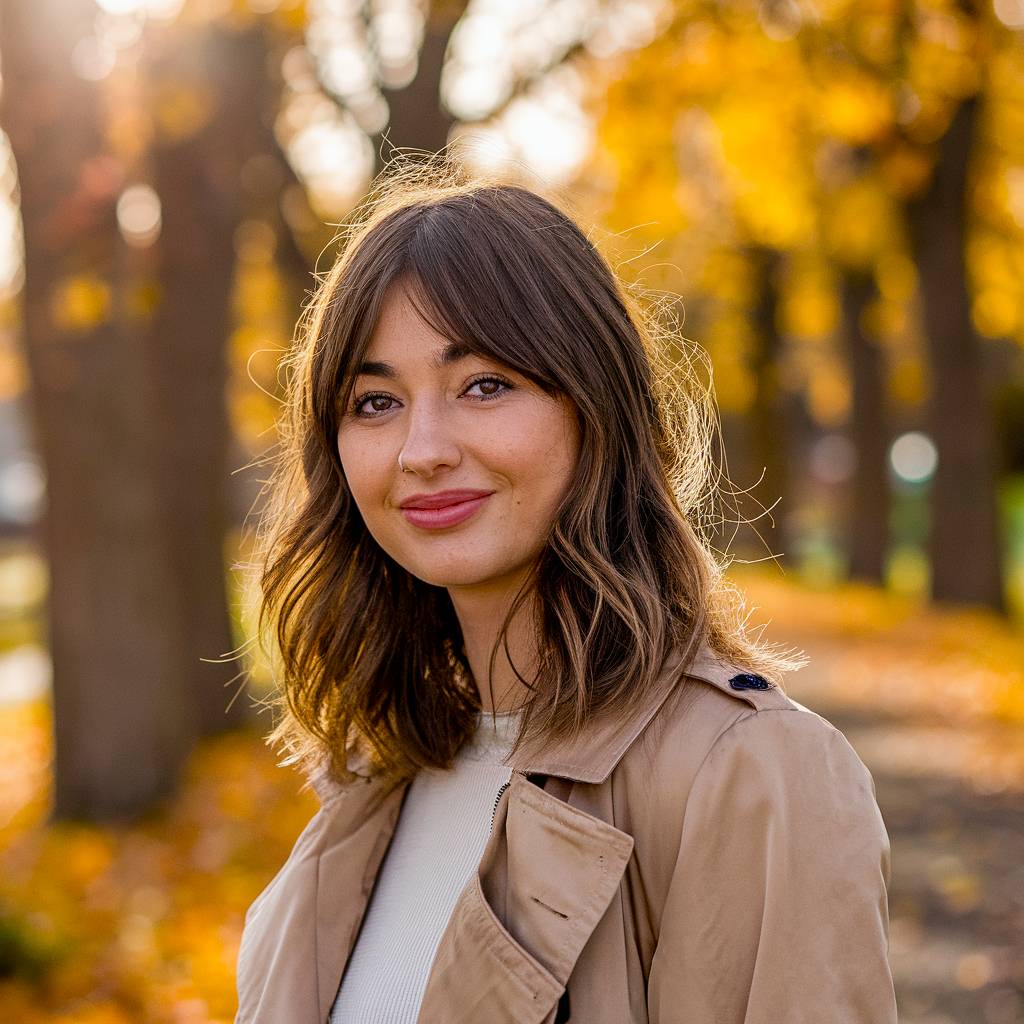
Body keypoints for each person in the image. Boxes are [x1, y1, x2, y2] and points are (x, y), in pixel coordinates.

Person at [234, 157, 898, 1024]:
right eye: (374, 401)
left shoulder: (750, 774)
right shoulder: (372, 781)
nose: (421, 449)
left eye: (484, 385)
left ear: (596, 409)